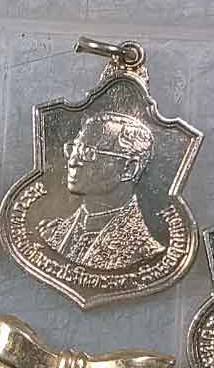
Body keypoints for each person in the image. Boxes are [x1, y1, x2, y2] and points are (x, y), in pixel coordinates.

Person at [37, 112, 164, 270]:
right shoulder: (52, 234)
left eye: (88, 152)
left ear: (129, 168)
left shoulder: (144, 254)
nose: (72, 161)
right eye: (74, 149)